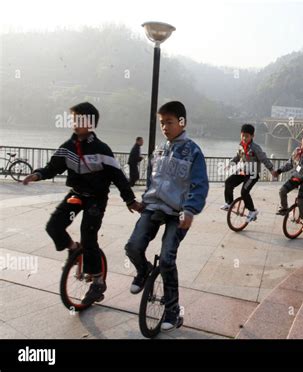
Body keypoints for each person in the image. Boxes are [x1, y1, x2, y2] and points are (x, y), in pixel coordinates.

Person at [22, 102, 142, 306]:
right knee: (53, 226)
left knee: (89, 236)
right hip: (76, 194)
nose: (74, 124)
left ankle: (97, 282)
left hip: (96, 198)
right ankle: (73, 248)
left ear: (91, 123)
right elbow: (53, 167)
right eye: (73, 119)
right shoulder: (68, 147)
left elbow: (118, 176)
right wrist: (38, 174)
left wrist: (129, 200)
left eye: (79, 120)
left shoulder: (102, 149)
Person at [125, 101, 209, 332]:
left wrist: (190, 210)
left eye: (169, 122)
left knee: (167, 260)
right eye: (161, 123)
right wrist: (145, 199)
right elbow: (153, 179)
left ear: (182, 122)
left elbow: (200, 184)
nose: (164, 127)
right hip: (153, 207)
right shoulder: (159, 149)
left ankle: (172, 309)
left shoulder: (193, 151)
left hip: (178, 213)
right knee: (133, 246)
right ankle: (143, 271)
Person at [221, 124, 275, 223]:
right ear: (240, 135)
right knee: (228, 182)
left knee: (244, 192)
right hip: (242, 171)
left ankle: (252, 211)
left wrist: (271, 169)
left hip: (252, 174)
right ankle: (229, 203)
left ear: (252, 136)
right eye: (243, 135)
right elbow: (237, 157)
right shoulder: (241, 146)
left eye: (247, 136)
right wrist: (230, 164)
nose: (244, 138)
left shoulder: (255, 148)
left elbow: (263, 158)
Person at [273, 130, 303, 231]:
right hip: (296, 177)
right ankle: (284, 208)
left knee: (300, 201)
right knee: (282, 190)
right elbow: (289, 164)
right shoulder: (297, 151)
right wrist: (279, 171)